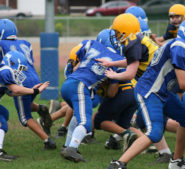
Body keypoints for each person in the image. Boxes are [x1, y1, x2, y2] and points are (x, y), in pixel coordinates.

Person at [106, 18, 185, 169]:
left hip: (163, 92)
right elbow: (184, 83)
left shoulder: (181, 47)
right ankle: (118, 164)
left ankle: (176, 162)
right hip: (150, 92)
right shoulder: (179, 47)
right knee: (155, 133)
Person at [60, 39, 124, 162]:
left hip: (67, 84)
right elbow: (111, 93)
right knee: (86, 124)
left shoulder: (92, 44)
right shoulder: (118, 60)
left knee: (77, 116)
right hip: (81, 86)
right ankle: (72, 149)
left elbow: (76, 61)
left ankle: (67, 146)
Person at [0, 19, 55, 149]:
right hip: (33, 77)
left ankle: (48, 141)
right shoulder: (25, 43)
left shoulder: (1, 45)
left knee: (25, 117)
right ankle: (40, 108)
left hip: (18, 79)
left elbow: (14, 88)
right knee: (25, 104)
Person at [0, 51, 50, 160]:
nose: (20, 71)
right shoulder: (5, 71)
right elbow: (15, 89)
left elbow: (12, 93)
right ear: (12, 63)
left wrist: (33, 91)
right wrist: (35, 90)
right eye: (20, 68)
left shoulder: (4, 71)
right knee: (2, 123)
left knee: (4, 113)